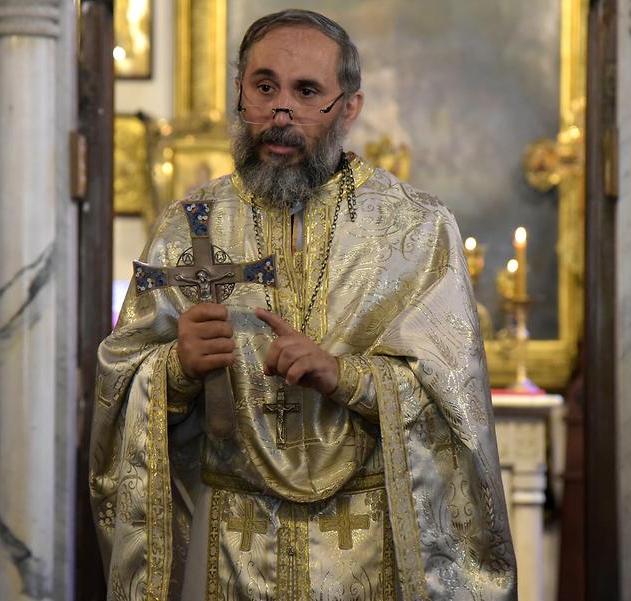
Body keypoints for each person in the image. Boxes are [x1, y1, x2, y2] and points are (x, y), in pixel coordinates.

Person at [91, 9, 516, 600]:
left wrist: (349, 377)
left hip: (367, 546)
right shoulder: (189, 226)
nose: (280, 113)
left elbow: (456, 408)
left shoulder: (416, 230)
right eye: (264, 87)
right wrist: (174, 370)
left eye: (306, 91)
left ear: (349, 107)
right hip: (229, 547)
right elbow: (122, 378)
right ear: (240, 93)